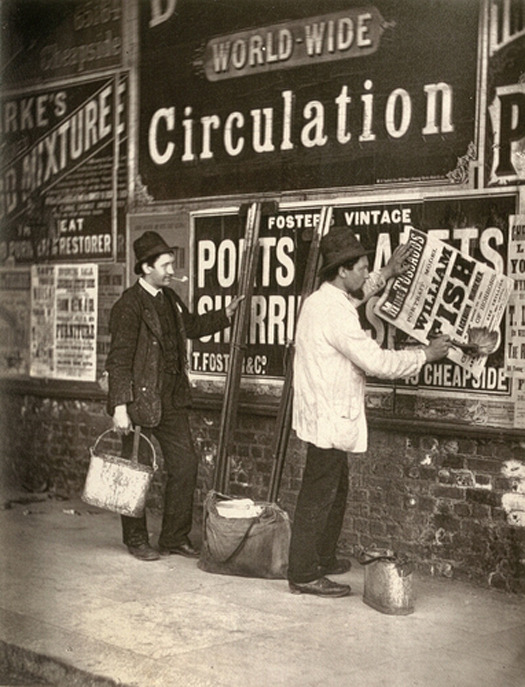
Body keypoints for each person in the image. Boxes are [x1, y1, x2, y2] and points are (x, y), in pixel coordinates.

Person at [288, 226, 450, 597]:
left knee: (335, 488)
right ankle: (302, 573)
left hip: (324, 412)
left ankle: (322, 557)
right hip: (329, 414)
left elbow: (357, 296)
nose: (365, 273)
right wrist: (424, 355)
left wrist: (388, 273)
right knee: (320, 493)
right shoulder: (336, 314)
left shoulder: (325, 300)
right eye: (361, 267)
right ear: (342, 271)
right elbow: (377, 361)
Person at [106, 231, 243, 561]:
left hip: (172, 400)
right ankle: (136, 538)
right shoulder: (129, 305)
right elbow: (119, 359)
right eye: (165, 265)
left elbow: (192, 325)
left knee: (185, 466)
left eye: (170, 264)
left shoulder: (169, 299)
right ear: (146, 267)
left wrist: (225, 313)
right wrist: (120, 407)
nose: (171, 270)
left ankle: (173, 537)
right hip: (140, 403)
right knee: (135, 473)